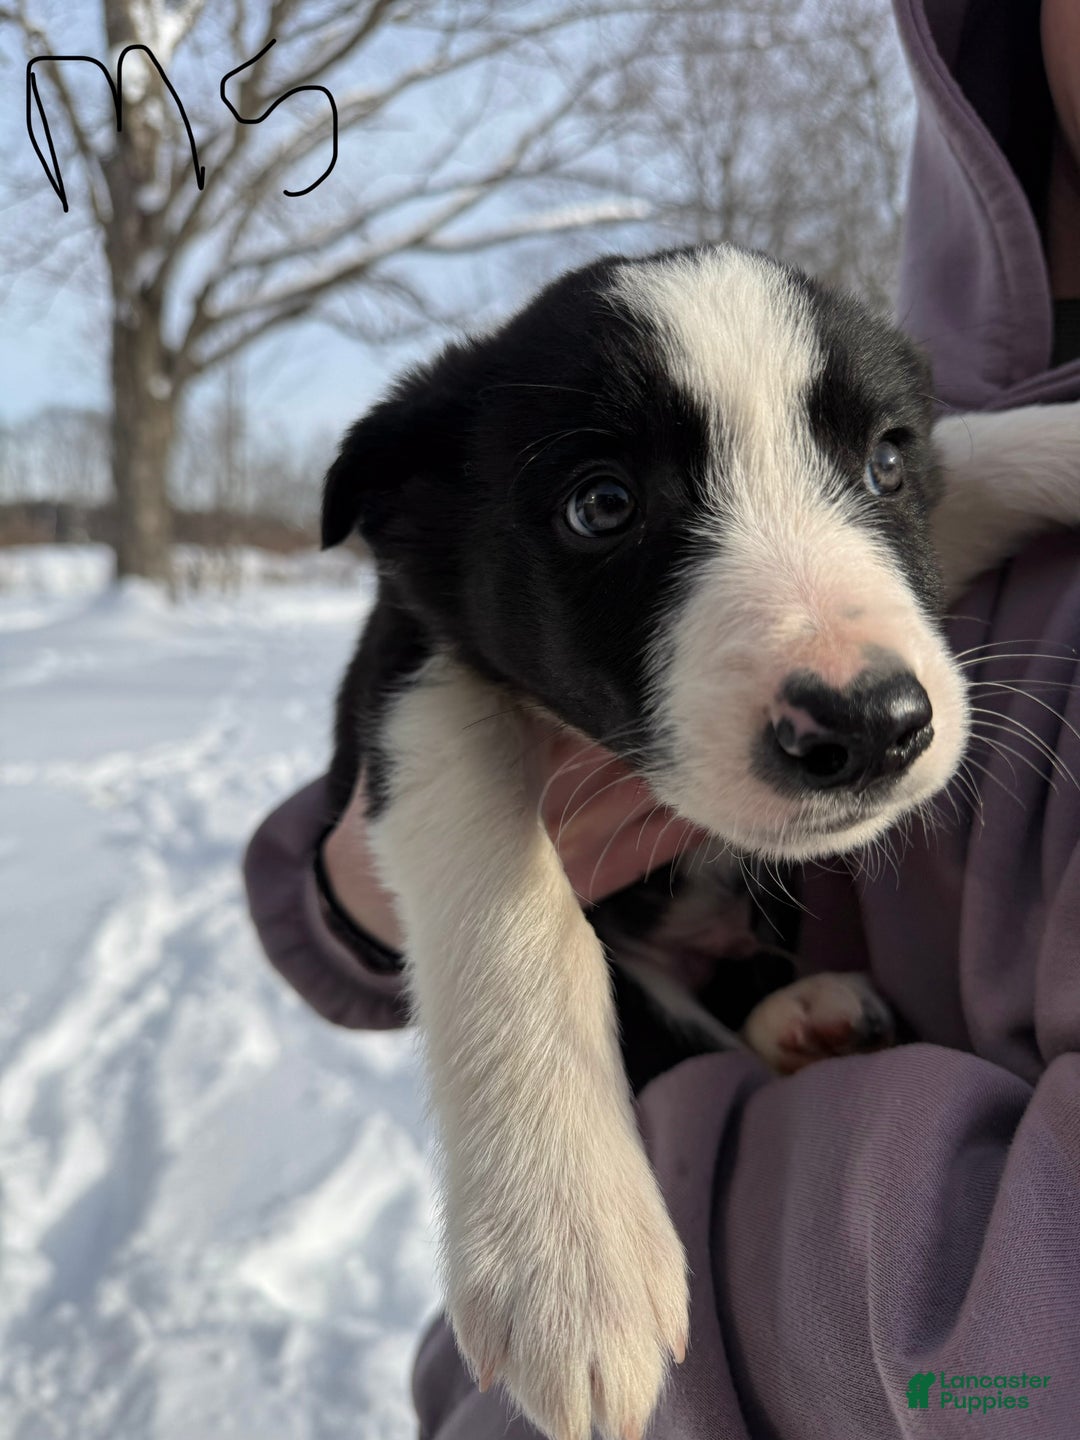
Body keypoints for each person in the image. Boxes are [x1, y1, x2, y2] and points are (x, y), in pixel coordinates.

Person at [245, 0, 1080, 1433]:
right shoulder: (454, 573)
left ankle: (739, 1004)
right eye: (605, 502)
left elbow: (929, 488)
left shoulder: (927, 442)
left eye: (875, 454)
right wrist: (373, 916)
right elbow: (399, 804)